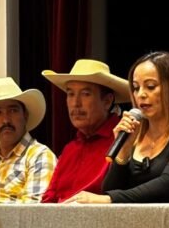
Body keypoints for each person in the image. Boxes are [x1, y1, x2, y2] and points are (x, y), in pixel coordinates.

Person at [68, 51, 169, 204]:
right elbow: (110, 190)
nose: (141, 94)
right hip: (135, 219)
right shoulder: (134, 134)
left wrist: (110, 199)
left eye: (150, 87)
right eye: (136, 88)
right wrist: (123, 152)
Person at [40, 59, 130, 203]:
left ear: (107, 101)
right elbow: (48, 200)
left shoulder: (124, 142)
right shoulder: (70, 149)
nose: (76, 103)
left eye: (86, 94)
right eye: (70, 94)